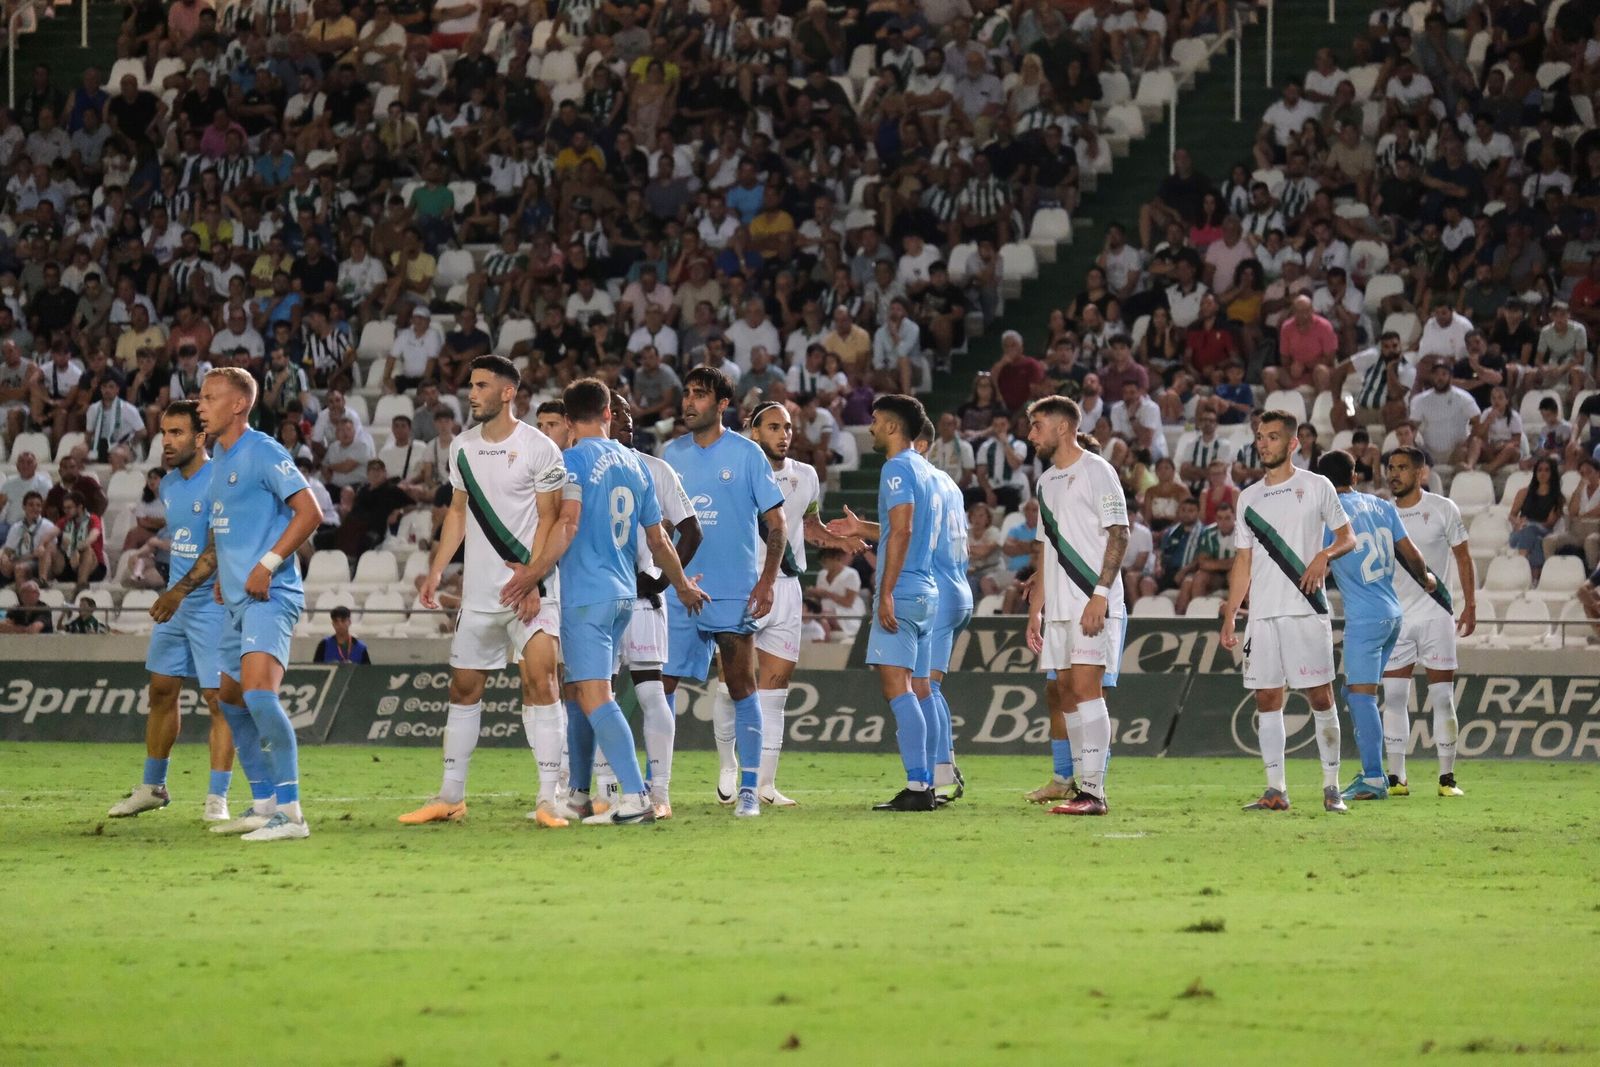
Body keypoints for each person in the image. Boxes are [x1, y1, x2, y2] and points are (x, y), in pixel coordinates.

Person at [528, 377, 709, 826]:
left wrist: (531, 574)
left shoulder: (570, 462)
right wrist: (682, 586)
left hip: (586, 596)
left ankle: (635, 796)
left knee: (594, 696)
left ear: (568, 420)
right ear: (608, 413)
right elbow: (659, 540)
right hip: (625, 596)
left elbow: (566, 525)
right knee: (584, 691)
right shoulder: (635, 464)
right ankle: (580, 794)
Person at [401, 356, 570, 829]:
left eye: (481, 386)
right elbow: (457, 512)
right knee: (462, 688)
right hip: (478, 594)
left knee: (543, 684)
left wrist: (532, 578)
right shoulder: (462, 447)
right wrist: (436, 570)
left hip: (530, 591)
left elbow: (550, 518)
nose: (471, 394)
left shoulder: (540, 448)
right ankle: (450, 796)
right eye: (471, 386)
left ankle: (549, 798)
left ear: (507, 392)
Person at [196, 367, 323, 842]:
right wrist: (223, 576)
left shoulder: (264, 450)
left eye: (209, 398)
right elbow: (229, 525)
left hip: (270, 594)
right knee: (229, 699)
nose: (200, 406)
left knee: (258, 694)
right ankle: (265, 801)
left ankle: (291, 814)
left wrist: (267, 564)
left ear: (238, 405)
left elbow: (310, 512)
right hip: (236, 598)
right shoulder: (218, 458)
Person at [662, 367, 786, 817]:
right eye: (687, 393)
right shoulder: (670, 454)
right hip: (679, 589)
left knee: (740, 686)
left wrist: (766, 580)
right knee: (661, 688)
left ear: (721, 405)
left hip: (733, 590)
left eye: (700, 395)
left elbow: (777, 524)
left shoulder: (747, 454)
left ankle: (749, 791)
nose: (689, 402)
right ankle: (658, 791)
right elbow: (660, 526)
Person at [107, 401, 238, 824]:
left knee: (218, 701)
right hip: (176, 606)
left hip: (210, 606)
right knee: (161, 692)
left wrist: (176, 592)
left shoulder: (220, 480)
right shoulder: (168, 484)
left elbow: (216, 550)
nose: (166, 441)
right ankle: (153, 787)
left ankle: (217, 798)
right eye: (164, 432)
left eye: (177, 433)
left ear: (200, 438)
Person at [1220, 410, 1356, 813]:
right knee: (1266, 698)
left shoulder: (1316, 486)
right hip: (1262, 616)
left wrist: (1324, 555)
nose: (1263, 444)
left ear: (1293, 443)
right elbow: (1243, 561)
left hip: (1305, 610)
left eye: (1273, 437)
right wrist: (1231, 613)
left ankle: (1332, 787)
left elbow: (1348, 537)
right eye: (1260, 437)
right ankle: (1275, 789)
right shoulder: (1248, 497)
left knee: (1320, 696)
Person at [826, 394, 943, 812]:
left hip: (904, 590)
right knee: (921, 689)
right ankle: (931, 781)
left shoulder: (895, 468)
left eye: (875, 421)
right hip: (927, 591)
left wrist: (886, 590)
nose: (871, 428)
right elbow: (903, 528)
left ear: (893, 427)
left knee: (898, 688)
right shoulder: (926, 469)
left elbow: (904, 530)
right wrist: (863, 528)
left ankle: (918, 785)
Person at [746, 401, 860, 806]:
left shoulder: (807, 476)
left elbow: (810, 527)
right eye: (774, 427)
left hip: (788, 588)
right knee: (732, 684)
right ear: (754, 432)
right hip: (744, 586)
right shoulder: (737, 472)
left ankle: (764, 785)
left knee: (776, 688)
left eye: (788, 427)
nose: (784, 434)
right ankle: (729, 772)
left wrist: (839, 539)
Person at [1020, 395, 1126, 816]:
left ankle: (1095, 794)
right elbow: (1048, 550)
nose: (1031, 434)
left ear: (1062, 427)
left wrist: (1100, 594)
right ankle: (1082, 786)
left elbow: (1119, 533)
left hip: (1090, 600)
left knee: (1086, 690)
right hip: (1060, 608)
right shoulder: (1046, 482)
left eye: (1037, 425)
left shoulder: (1098, 470)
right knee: (1066, 692)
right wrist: (1036, 610)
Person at [598, 392, 701, 820]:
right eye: (616, 411)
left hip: (636, 600)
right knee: (598, 695)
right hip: (601, 600)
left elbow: (692, 531)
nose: (626, 417)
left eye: (628, 411)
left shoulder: (656, 469)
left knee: (650, 692)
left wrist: (660, 579)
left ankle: (659, 793)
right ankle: (604, 792)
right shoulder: (585, 465)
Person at [1317, 451, 1436, 804]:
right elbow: (1411, 553)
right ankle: (1371, 772)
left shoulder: (1328, 513)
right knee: (1354, 693)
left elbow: (1315, 561)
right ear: (1354, 476)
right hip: (1392, 615)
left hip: (1366, 619)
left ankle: (1372, 778)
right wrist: (1426, 578)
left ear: (1322, 483)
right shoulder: (1382, 506)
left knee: (1361, 697)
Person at [1381, 446, 1475, 798]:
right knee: (1393, 697)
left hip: (1437, 615)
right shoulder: (1382, 513)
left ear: (1420, 473)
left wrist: (1470, 605)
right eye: (1391, 467)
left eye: (1402, 467)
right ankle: (1397, 779)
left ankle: (1446, 779)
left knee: (1442, 698)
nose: (1394, 474)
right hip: (1397, 618)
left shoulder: (1442, 509)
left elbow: (1464, 558)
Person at [914, 419, 973, 802]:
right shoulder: (949, 482)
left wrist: (862, 530)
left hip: (937, 589)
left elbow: (907, 533)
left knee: (923, 687)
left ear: (919, 444)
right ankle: (945, 766)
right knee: (930, 687)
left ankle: (938, 775)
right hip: (958, 587)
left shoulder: (920, 482)